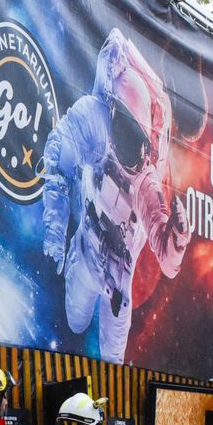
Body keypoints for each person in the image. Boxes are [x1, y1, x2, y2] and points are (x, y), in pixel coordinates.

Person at [40, 29, 191, 363]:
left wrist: (176, 240)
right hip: (85, 251)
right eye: (123, 127)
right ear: (112, 113)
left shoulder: (145, 179)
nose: (129, 141)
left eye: (135, 134)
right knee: (74, 320)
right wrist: (55, 222)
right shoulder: (95, 121)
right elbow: (59, 152)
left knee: (112, 358)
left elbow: (161, 242)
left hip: (119, 285)